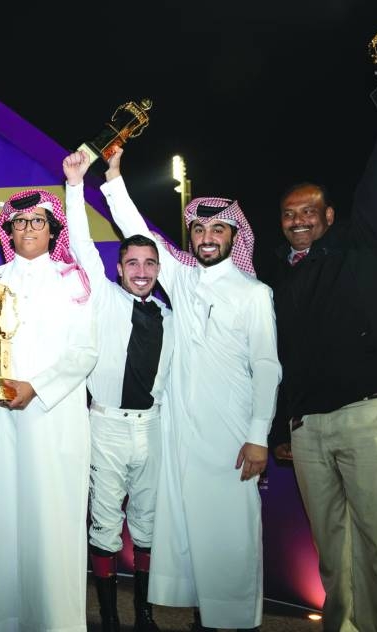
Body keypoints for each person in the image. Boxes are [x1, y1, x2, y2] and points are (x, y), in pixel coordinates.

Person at [267, 52, 377, 632]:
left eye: (309, 211)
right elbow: (285, 359)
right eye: (289, 213)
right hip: (310, 429)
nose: (299, 219)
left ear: (330, 215)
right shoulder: (282, 279)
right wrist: (286, 425)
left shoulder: (359, 247)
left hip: (365, 415)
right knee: (331, 549)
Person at [97, 150, 281, 631]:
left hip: (232, 437)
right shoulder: (181, 280)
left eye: (217, 230)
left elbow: (267, 368)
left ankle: (237, 619)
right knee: (191, 531)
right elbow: (138, 229)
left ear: (234, 236)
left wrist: (259, 435)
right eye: (198, 230)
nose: (206, 238)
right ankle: (203, 615)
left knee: (232, 532)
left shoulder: (254, 294)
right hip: (180, 436)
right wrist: (114, 177)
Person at [0, 189, 98, 632]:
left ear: (53, 230)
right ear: (8, 230)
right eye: (20, 222)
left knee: (50, 525)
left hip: (52, 420)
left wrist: (36, 387)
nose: (28, 229)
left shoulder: (75, 280)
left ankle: (53, 622)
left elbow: (86, 352)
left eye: (37, 222)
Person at [63, 152, 174, 632]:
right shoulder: (105, 298)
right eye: (133, 262)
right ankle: (108, 617)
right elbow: (83, 243)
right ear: (120, 267)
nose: (143, 270)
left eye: (150, 262)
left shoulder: (171, 315)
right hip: (106, 426)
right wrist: (74, 184)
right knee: (105, 525)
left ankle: (144, 614)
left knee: (148, 525)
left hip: (153, 429)